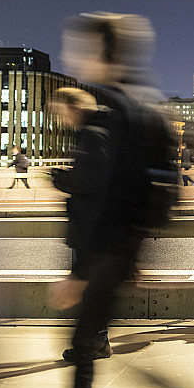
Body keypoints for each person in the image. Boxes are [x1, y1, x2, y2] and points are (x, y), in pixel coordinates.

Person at [38, 11, 169, 388]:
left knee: (85, 348)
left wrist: (80, 271)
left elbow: (109, 196)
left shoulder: (112, 114)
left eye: (80, 47)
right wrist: (136, 251)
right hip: (119, 251)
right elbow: (154, 190)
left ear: (101, 51)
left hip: (104, 253)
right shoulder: (139, 105)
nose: (74, 56)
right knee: (88, 346)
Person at [48, 88, 113, 363]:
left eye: (61, 112)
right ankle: (97, 340)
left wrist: (61, 179)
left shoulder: (90, 133)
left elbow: (93, 178)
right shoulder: (105, 129)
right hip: (102, 222)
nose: (62, 119)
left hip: (91, 223)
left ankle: (92, 344)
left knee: (88, 286)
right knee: (92, 286)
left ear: (74, 107)